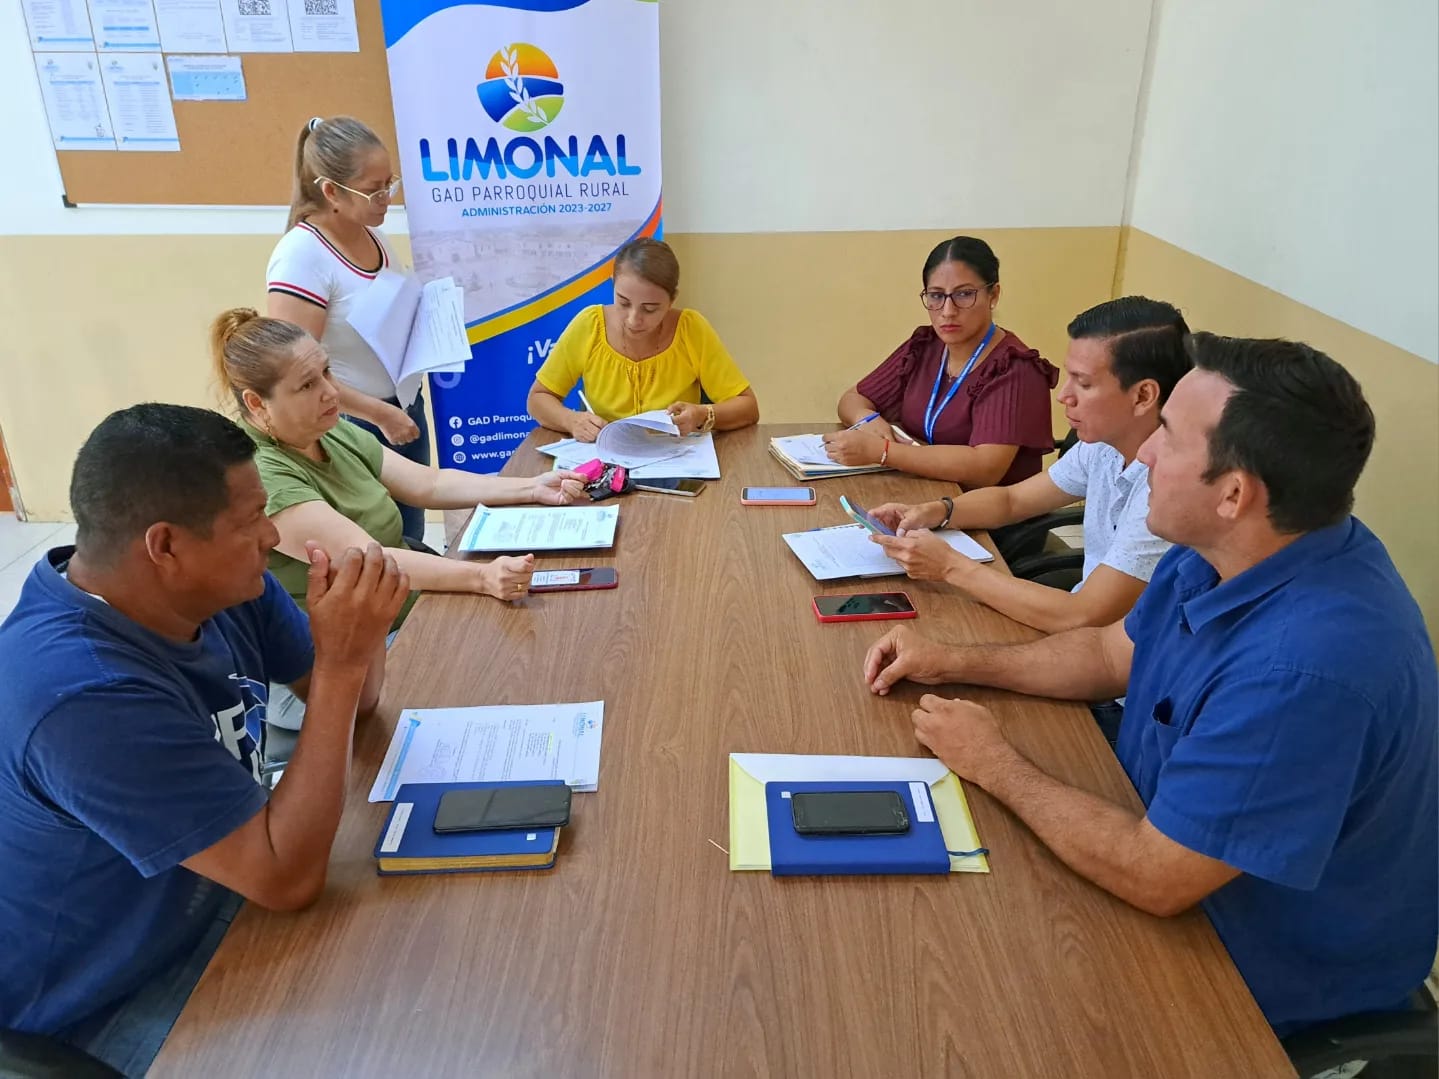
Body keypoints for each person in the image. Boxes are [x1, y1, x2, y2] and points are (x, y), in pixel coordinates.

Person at [861, 334, 1438, 1035]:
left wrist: (994, 761)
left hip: (1252, 969)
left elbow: (1155, 874)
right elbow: (1109, 655)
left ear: (1233, 492)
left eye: (1169, 436)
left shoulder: (1304, 670)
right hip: (1150, 828)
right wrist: (951, 660)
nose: (1144, 455)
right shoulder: (1228, 548)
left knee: (950, 993)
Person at [0, 404, 407, 1076]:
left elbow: (358, 704)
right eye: (251, 520)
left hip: (218, 891)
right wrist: (340, 663)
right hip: (102, 1001)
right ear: (165, 546)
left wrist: (356, 634)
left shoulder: (226, 587)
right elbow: (286, 878)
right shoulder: (83, 694)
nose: (271, 534)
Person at [212, 309, 586, 610]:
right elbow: (367, 559)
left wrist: (531, 487)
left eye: (326, 372)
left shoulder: (325, 428)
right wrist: (482, 577)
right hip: (354, 639)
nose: (331, 392)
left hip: (408, 598)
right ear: (257, 403)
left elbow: (428, 484)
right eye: (308, 385)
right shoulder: (261, 474)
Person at [868, 297, 1191, 635]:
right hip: (1084, 635)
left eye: (1083, 383)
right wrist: (935, 511)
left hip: (1116, 650)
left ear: (1143, 396)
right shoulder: (1103, 445)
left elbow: (1082, 616)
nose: (1064, 396)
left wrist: (949, 566)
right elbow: (1013, 500)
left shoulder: (1168, 488)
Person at [266, 115, 431, 543]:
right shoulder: (301, 256)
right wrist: (377, 413)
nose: (386, 199)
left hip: (401, 408)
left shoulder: (373, 235)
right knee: (374, 548)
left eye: (390, 183)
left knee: (408, 537)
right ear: (331, 192)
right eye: (374, 190)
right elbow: (292, 371)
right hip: (350, 424)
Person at [829, 236, 1058, 487]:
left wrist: (882, 452)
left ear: (993, 295)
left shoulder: (1014, 367)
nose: (948, 311)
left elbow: (985, 468)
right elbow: (853, 398)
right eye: (936, 296)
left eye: (964, 294)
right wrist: (866, 419)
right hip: (920, 492)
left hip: (979, 509)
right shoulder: (924, 346)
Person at [526, 237, 760, 440]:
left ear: (672, 300)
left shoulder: (691, 329)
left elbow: (748, 407)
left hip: (677, 461)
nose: (633, 320)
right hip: (607, 464)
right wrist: (571, 420)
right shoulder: (590, 326)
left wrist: (703, 414)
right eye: (623, 302)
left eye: (650, 309)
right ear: (613, 284)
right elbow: (538, 398)